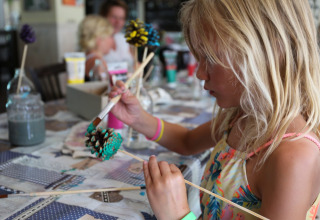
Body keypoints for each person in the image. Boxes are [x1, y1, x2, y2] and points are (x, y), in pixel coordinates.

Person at [109, 0, 320, 219]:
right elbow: (187, 141)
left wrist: (178, 215)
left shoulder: (293, 158)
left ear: (270, 53)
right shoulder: (241, 116)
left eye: (209, 59)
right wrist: (139, 119)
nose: (199, 73)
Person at [78, 15, 113, 81]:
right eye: (110, 36)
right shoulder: (98, 63)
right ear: (99, 39)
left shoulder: (86, 56)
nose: (112, 40)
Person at [99, 0, 133, 65]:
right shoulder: (96, 40)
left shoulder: (123, 38)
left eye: (121, 18)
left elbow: (134, 63)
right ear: (103, 16)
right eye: (114, 17)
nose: (118, 22)